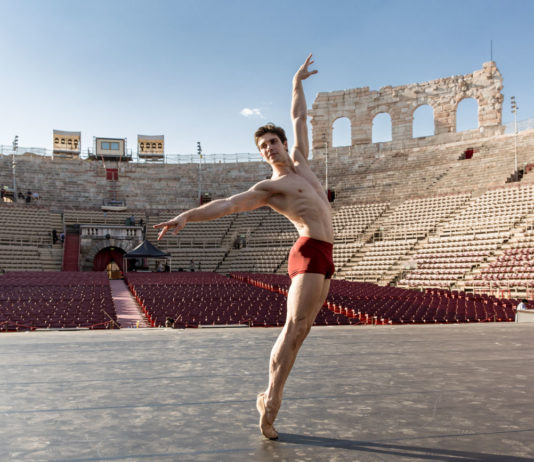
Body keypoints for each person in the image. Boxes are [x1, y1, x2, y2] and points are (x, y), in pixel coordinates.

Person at [154, 54, 334, 440]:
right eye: (262, 147)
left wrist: (296, 83)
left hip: (327, 253)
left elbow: (301, 118)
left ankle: (269, 396)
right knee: (293, 327)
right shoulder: (269, 188)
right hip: (307, 251)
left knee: (304, 332)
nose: (268, 149)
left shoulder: (302, 162)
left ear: (285, 144)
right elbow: (228, 205)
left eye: (272, 142)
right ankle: (270, 403)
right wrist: (187, 215)